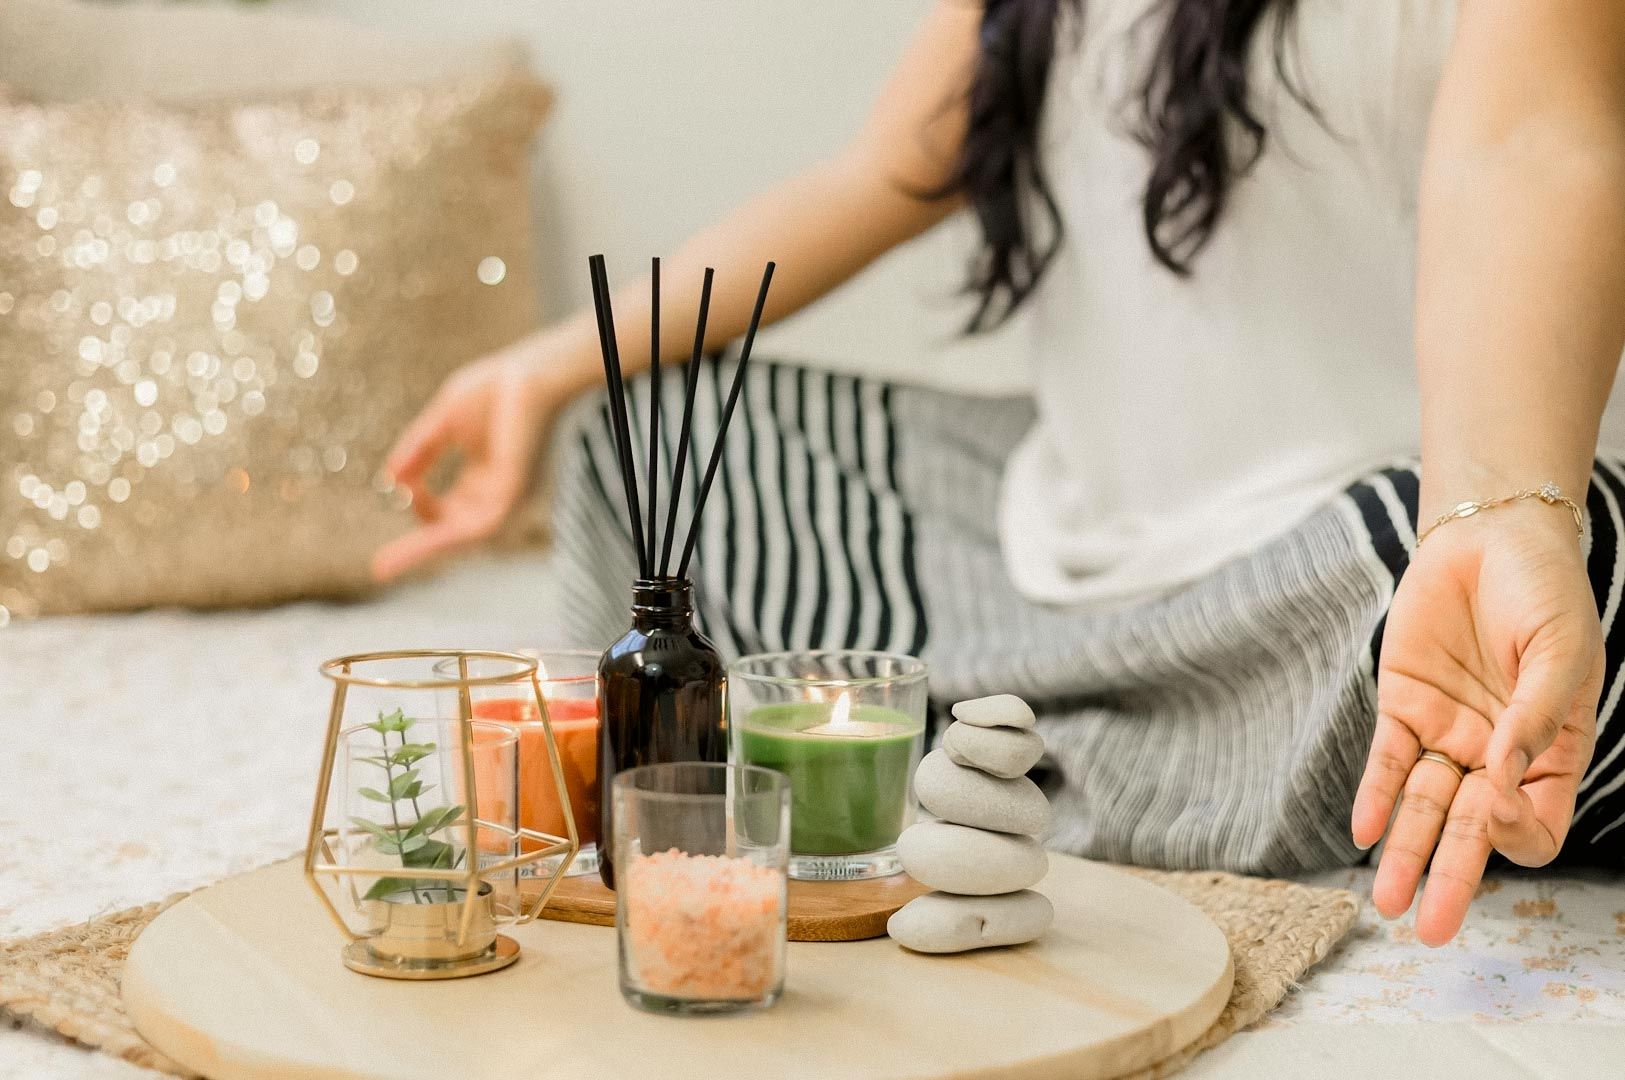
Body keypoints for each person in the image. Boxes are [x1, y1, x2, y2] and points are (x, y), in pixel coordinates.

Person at [374, 1, 1625, 946]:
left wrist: (1507, 508)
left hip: (1358, 568)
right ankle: (1112, 751)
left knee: (1581, 577)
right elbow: (877, 174)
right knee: (644, 432)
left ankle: (1006, 749)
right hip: (1044, 545)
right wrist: (541, 370)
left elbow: (1526, 140)